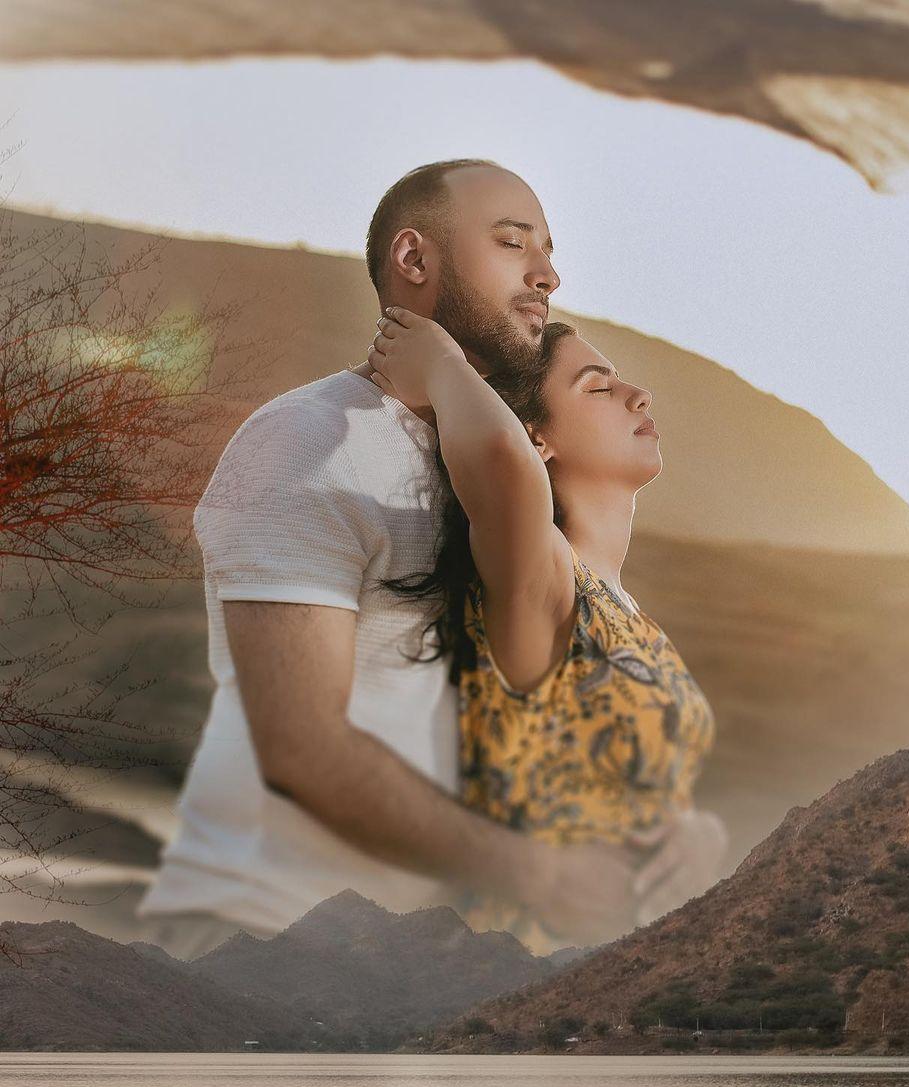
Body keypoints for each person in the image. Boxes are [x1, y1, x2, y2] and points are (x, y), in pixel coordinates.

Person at [132, 159, 682, 958]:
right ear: (415, 261)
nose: (547, 274)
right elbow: (302, 749)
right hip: (276, 949)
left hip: (460, 954)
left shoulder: (512, 478)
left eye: (549, 249)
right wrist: (540, 875)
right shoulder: (311, 442)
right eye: (511, 242)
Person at [365, 307, 729, 948]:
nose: (637, 395)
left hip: (624, 968)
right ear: (538, 440)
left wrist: (700, 838)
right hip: (528, 968)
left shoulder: (624, 613)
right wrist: (441, 363)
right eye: (596, 386)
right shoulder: (541, 585)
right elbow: (501, 470)